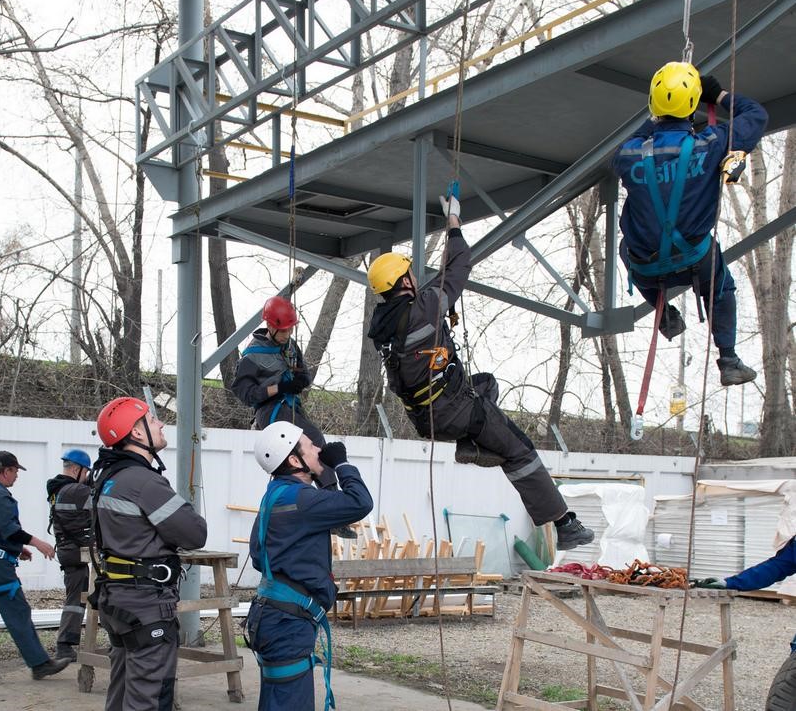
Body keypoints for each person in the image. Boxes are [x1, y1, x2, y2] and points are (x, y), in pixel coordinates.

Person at [365, 191, 594, 551]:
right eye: (409, 272)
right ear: (404, 281)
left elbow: (420, 315)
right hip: (454, 411)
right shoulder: (425, 308)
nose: (414, 274)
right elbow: (457, 268)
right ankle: (564, 523)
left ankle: (472, 445)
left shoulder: (384, 325)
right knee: (519, 449)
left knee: (486, 384)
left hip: (425, 416)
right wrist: (453, 223)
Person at [612, 62, 768, 386]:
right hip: (696, 260)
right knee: (721, 286)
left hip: (647, 268)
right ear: (694, 104)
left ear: (654, 105)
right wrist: (719, 95)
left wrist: (658, 114)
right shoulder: (712, 144)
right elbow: (756, 115)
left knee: (626, 249)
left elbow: (636, 138)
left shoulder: (628, 155)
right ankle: (728, 359)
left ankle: (663, 313)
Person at [245, 421, 373, 711]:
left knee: (278, 701)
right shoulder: (303, 500)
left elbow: (257, 554)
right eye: (310, 445)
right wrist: (340, 464)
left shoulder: (275, 496)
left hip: (274, 616)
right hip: (287, 624)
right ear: (294, 460)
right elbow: (360, 502)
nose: (318, 448)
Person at [92, 396, 208, 711]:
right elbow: (195, 533)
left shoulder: (108, 478)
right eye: (153, 419)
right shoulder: (144, 482)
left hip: (117, 600)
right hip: (146, 606)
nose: (160, 423)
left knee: (122, 686)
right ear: (138, 434)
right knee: (150, 697)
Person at [231, 295, 356, 538]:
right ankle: (332, 504)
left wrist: (299, 381)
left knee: (311, 444)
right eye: (284, 330)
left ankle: (323, 502)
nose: (288, 334)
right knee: (310, 441)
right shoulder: (251, 356)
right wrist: (279, 388)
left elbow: (304, 375)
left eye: (290, 329)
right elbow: (245, 394)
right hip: (271, 411)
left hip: (292, 407)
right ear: (270, 326)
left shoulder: (289, 347)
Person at [0, 450, 72, 683]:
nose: (16, 477)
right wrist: (38, 543)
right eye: (15, 471)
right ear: (6, 470)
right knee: (17, 611)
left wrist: (16, 549)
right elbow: (9, 529)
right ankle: (40, 664)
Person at [46, 448, 94, 660]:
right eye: (86, 473)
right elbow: (101, 505)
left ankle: (66, 644)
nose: (86, 477)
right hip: (77, 551)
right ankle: (65, 645)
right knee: (81, 598)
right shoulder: (76, 490)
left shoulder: (58, 489)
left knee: (76, 597)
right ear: (76, 469)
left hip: (66, 549)